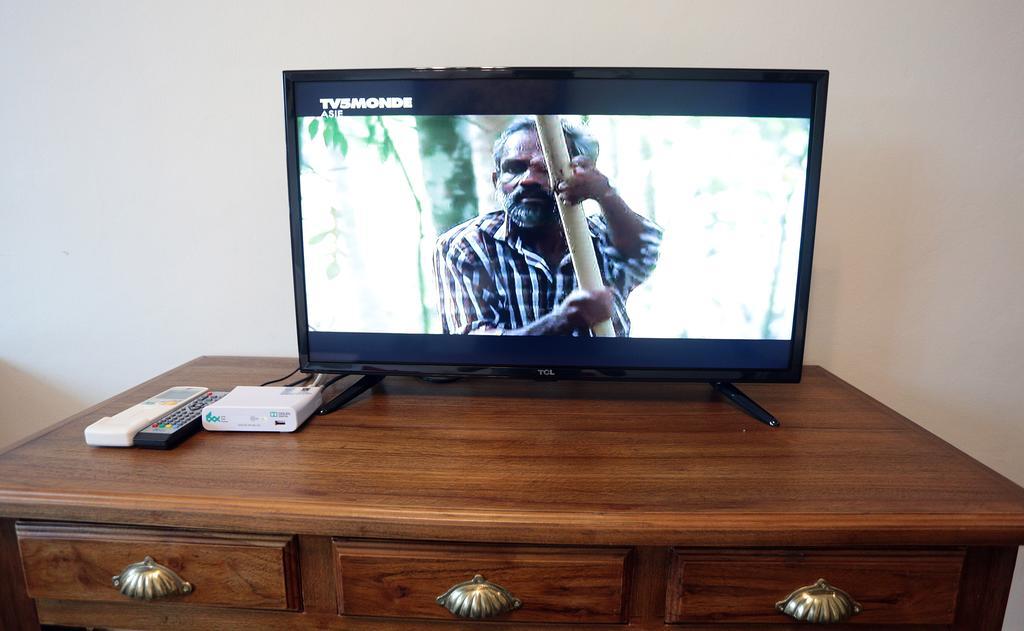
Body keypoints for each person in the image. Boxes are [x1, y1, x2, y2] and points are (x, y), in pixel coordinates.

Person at [433, 117, 662, 336]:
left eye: (545, 169)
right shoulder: (467, 245)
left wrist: (605, 194)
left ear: (580, 175)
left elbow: (644, 252)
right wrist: (562, 320)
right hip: (506, 379)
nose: (528, 180)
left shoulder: (606, 234)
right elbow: (474, 345)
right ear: (496, 181)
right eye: (514, 168)